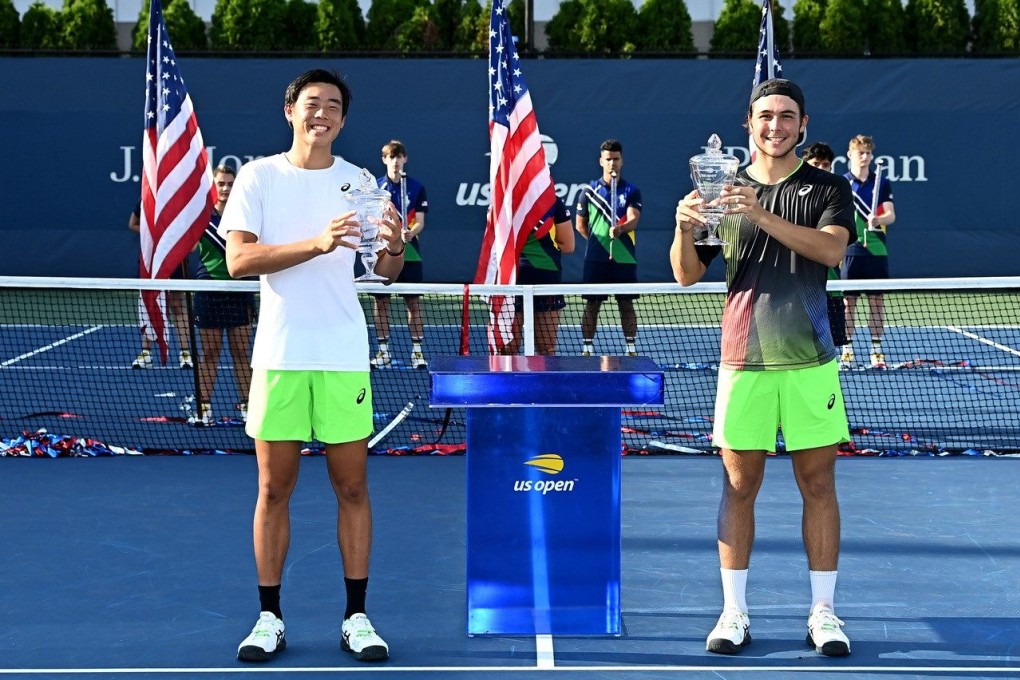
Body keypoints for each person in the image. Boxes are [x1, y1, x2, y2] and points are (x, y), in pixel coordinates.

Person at [220, 68, 405, 664]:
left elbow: (384, 274)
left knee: (352, 486)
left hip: (342, 357)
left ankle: (357, 617)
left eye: (332, 105)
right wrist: (317, 244)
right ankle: (268, 617)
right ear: (290, 111)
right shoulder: (259, 177)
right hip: (278, 356)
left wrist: (395, 245)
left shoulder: (361, 182)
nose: (320, 113)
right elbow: (239, 260)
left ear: (343, 120)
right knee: (274, 489)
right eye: (310, 103)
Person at [671, 78, 856, 658]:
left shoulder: (827, 186)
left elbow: (831, 251)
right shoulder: (720, 190)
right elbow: (685, 273)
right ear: (749, 124)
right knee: (739, 485)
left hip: (810, 361)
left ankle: (823, 614)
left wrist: (759, 212)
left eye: (786, 117)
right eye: (765, 116)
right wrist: (683, 226)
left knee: (818, 484)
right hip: (742, 359)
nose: (774, 126)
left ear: (803, 125)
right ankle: (734, 613)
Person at [189, 164, 254, 426]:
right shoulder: (201, 219)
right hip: (209, 290)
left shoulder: (245, 215)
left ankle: (248, 407)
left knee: (241, 351)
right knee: (211, 352)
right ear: (213, 187)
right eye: (221, 184)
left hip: (240, 289)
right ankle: (204, 408)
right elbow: (190, 247)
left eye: (229, 183)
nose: (225, 188)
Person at [575, 139, 642, 357]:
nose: (612, 163)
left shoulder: (632, 191)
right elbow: (580, 225)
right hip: (596, 259)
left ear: (622, 161)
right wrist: (599, 242)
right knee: (592, 304)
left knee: (626, 304)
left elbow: (634, 219)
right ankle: (587, 347)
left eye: (616, 159)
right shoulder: (588, 192)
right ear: (601, 161)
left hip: (624, 258)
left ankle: (630, 348)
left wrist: (621, 229)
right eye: (608, 159)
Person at [370, 140, 429, 370]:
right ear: (384, 159)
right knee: (382, 304)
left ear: (405, 159)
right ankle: (383, 351)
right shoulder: (376, 188)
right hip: (383, 253)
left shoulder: (416, 187)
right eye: (390, 157)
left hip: (411, 254)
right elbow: (371, 222)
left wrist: (409, 232)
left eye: (399, 156)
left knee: (413, 303)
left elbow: (421, 222)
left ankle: (417, 353)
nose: (395, 161)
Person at [840, 134, 896, 370]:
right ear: (850, 155)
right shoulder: (842, 183)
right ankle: (847, 349)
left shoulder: (881, 183)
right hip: (851, 250)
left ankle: (876, 350)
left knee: (876, 302)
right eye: (859, 152)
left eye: (867, 153)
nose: (864, 157)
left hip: (876, 249)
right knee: (848, 304)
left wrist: (878, 218)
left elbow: (891, 215)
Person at [501, 196, 574, 355]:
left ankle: (543, 381)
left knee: (544, 350)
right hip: (515, 282)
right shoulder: (503, 200)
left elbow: (569, 245)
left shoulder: (554, 202)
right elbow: (567, 245)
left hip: (542, 283)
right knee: (508, 349)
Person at [128, 201, 195, 370]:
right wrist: (150, 235)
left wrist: (175, 240)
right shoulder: (145, 200)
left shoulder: (180, 199)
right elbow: (132, 224)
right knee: (149, 304)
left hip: (174, 260)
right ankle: (146, 353)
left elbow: (192, 237)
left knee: (178, 306)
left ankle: (185, 354)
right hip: (150, 261)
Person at [803, 142, 848, 349]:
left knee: (832, 344)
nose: (821, 168)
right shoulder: (794, 194)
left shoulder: (837, 195)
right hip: (801, 287)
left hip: (831, 284)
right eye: (816, 164)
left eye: (825, 164)